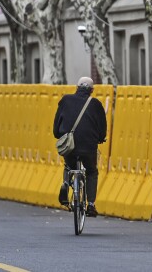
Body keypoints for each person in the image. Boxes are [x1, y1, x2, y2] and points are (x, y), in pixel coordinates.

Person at [53, 76, 107, 217]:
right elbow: (102, 127)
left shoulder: (65, 100)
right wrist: (101, 138)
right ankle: (90, 205)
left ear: (77, 88)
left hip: (69, 145)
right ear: (92, 90)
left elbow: (57, 124)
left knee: (69, 165)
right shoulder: (95, 104)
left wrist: (59, 134)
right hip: (88, 146)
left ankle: (66, 183)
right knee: (91, 171)